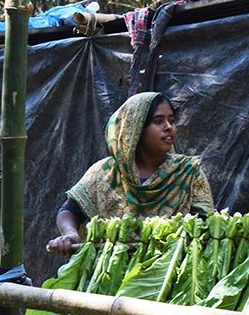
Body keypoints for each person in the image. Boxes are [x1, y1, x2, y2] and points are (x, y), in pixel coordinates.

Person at [47, 92, 214, 254]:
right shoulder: (105, 172)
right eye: (158, 121)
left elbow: (206, 224)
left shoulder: (188, 173)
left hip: (168, 272)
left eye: (171, 120)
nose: (169, 127)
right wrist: (70, 234)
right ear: (134, 128)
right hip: (108, 270)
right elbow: (69, 210)